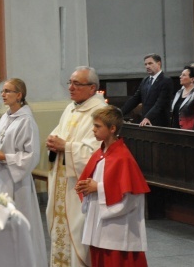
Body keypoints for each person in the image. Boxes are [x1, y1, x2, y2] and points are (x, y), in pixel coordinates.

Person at [46, 66, 106, 267]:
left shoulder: (100, 112)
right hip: (63, 180)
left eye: (76, 84)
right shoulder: (70, 108)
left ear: (92, 88)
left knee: (79, 233)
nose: (71, 88)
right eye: (70, 82)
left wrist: (67, 147)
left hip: (80, 187)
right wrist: (53, 143)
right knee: (60, 231)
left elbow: (97, 151)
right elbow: (59, 134)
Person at [75, 106, 150, 267]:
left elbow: (131, 196)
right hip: (98, 221)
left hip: (117, 226)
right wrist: (86, 186)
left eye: (98, 126)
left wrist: (98, 188)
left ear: (112, 128)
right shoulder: (100, 153)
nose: (93, 130)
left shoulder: (123, 157)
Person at [0, 78, 47, 267]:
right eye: (2, 91)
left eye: (8, 91)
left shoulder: (26, 121)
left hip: (17, 182)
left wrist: (6, 158)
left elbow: (31, 156)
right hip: (1, 176)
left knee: (19, 221)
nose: (3, 95)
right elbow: (2, 143)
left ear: (19, 95)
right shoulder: (5, 116)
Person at [121, 53, 173, 127]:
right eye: (145, 64)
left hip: (160, 123)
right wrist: (120, 113)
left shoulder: (166, 80)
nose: (147, 66)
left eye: (150, 63)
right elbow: (135, 99)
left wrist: (148, 117)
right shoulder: (145, 80)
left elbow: (160, 103)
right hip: (145, 122)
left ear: (158, 63)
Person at [171, 66, 194, 130]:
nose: (180, 77)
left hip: (188, 132)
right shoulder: (179, 92)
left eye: (183, 75)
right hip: (174, 130)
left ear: (192, 79)